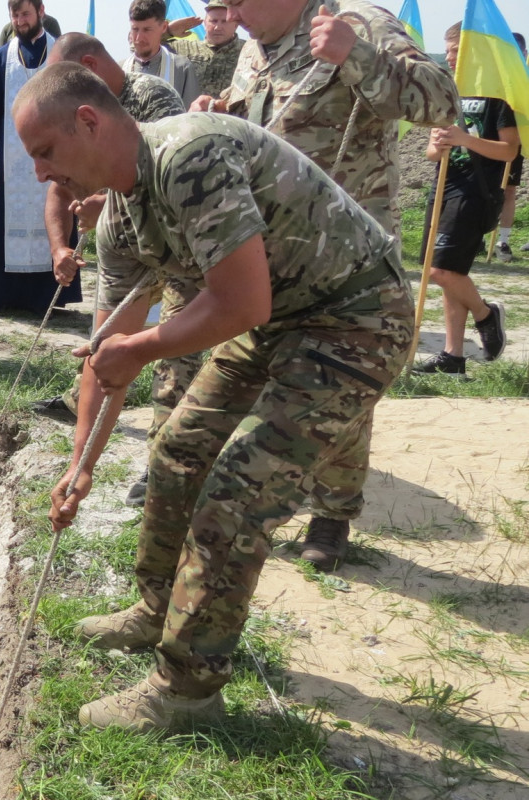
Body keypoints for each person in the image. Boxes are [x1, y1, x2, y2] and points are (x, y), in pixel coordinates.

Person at [20, 62, 413, 732]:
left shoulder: (186, 156)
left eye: (45, 153)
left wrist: (141, 348)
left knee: (237, 495)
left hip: (354, 319)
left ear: (88, 121)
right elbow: (103, 355)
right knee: (175, 450)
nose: (41, 175)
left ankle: (184, 693)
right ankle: (153, 611)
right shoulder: (119, 221)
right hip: (275, 324)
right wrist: (80, 464)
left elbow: (239, 300)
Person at [199, 0, 459, 571]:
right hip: (273, 253)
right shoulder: (252, 50)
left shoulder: (361, 22)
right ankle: (259, 496)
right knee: (266, 375)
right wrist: (221, 114)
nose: (231, 15)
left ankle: (332, 512)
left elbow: (442, 99)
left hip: (348, 263)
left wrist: (357, 56)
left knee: (338, 385)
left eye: (238, 3)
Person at [28, 33, 190, 472]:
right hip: (124, 242)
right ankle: (85, 407)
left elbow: (165, 181)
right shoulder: (70, 119)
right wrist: (61, 247)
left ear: (88, 67)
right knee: (105, 342)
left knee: (176, 359)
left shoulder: (151, 98)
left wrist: (113, 204)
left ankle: (164, 464)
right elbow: (59, 190)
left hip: (178, 247)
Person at [0, 0, 79, 316]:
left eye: (25, 13)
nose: (20, 20)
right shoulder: (0, 59)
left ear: (41, 11)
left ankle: (44, 298)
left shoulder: (62, 55)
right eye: (15, 15)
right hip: (9, 165)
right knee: (1, 226)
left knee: (54, 218)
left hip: (53, 160)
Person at [413, 22, 513, 378]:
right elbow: (430, 152)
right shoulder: (447, 91)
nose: (451, 57)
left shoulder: (497, 96)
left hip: (475, 190)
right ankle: (453, 357)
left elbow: (509, 150)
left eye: (457, 50)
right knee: (444, 272)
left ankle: (486, 314)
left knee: (442, 270)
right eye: (449, 50)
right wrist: (437, 147)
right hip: (443, 187)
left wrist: (464, 140)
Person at [123, 0, 199, 108]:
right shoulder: (120, 70)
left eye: (147, 30)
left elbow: (192, 118)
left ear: (163, 27)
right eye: (135, 29)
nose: (139, 38)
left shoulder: (181, 69)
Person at [167, 0, 241, 98]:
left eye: (225, 21)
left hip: (230, 113)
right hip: (191, 112)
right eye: (213, 21)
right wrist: (168, 31)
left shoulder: (250, 51)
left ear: (236, 25)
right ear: (205, 23)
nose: (218, 27)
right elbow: (144, 47)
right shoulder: (184, 48)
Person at [498, 32, 526, 260]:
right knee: (482, 190)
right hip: (488, 140)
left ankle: (503, 242)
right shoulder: (491, 79)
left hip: (515, 141)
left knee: (509, 190)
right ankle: (475, 238)